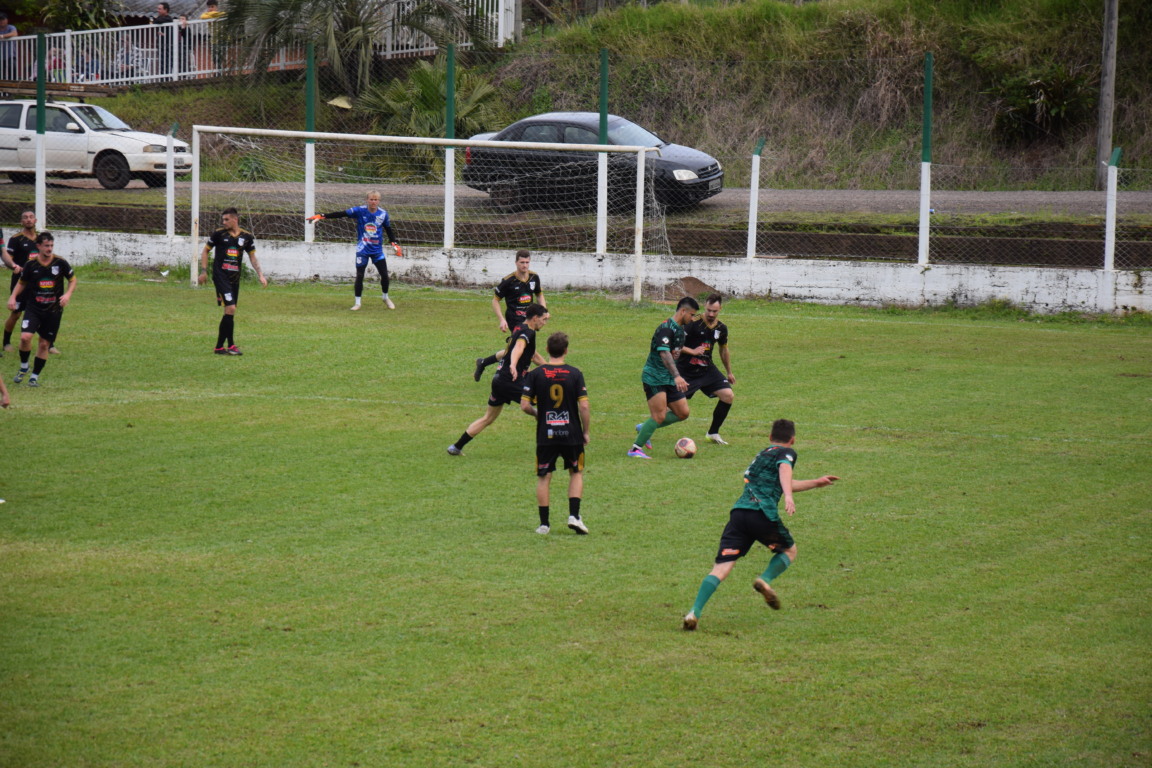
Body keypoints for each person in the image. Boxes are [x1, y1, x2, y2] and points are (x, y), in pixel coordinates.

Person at [682, 419, 839, 631]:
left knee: (721, 567)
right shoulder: (787, 453)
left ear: (769, 437)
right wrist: (789, 498)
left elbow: (784, 481)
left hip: (739, 514)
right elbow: (785, 471)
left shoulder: (763, 455)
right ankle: (764, 580)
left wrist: (816, 483)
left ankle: (694, 612)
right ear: (792, 439)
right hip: (762, 514)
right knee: (790, 550)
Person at [448, 303, 547, 456]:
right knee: (547, 402)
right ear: (535, 318)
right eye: (544, 319)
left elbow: (533, 355)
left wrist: (550, 368)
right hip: (511, 380)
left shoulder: (520, 328)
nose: (545, 323)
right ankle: (557, 444)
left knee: (488, 418)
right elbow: (518, 348)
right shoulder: (528, 333)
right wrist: (514, 364)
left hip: (499, 379)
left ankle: (456, 447)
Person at [520, 332, 591, 535]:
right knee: (575, 472)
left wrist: (537, 414)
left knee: (544, 476)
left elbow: (524, 405)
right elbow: (584, 407)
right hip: (571, 434)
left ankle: (544, 524)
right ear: (566, 350)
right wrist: (586, 431)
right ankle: (574, 516)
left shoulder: (536, 374)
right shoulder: (575, 373)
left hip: (546, 434)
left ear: (547, 350)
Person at [628, 296, 698, 459]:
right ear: (683, 311)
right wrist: (677, 376)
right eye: (692, 315)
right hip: (654, 377)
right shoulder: (666, 328)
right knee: (659, 415)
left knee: (683, 413)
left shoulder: (680, 331)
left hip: (668, 378)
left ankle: (645, 427)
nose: (692, 318)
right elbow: (664, 353)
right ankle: (635, 449)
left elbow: (675, 353)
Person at [307, 191, 401, 310]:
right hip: (363, 249)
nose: (373, 202)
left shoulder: (383, 214)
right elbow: (341, 214)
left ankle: (385, 297)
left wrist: (394, 243)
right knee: (360, 275)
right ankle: (357, 303)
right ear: (367, 200)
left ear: (379, 201)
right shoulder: (359, 211)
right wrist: (322, 215)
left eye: (376, 199)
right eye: (371, 199)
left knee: (384, 275)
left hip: (377, 250)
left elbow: (388, 229)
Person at [8, 232, 76, 387]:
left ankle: (34, 376)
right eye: (46, 246)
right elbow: (22, 282)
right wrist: (13, 297)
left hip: (53, 310)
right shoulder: (31, 265)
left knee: (44, 344)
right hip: (33, 308)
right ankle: (24, 366)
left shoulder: (60, 263)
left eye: (51, 246)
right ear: (38, 246)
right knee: (25, 337)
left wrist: (67, 294)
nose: (49, 249)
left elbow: (72, 280)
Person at [198, 207, 266, 355]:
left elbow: (252, 257)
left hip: (234, 278)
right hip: (220, 276)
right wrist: (204, 271)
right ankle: (225, 346)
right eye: (223, 220)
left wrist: (260, 274)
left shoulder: (246, 237)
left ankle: (226, 346)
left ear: (235, 219)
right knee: (231, 308)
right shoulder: (218, 234)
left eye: (226, 219)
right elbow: (205, 251)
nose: (224, 222)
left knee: (230, 311)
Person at [473, 250, 545, 381]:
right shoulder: (508, 281)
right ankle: (550, 372)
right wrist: (502, 319)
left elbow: (539, 295)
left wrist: (544, 312)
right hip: (515, 321)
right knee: (528, 352)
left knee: (514, 349)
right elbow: (495, 300)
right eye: (522, 262)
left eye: (527, 262)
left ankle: (483, 362)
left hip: (530, 320)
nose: (525, 265)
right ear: (516, 263)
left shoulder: (534, 277)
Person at [677, 293, 736, 445]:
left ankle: (713, 433)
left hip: (706, 369)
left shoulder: (722, 328)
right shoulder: (692, 323)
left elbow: (723, 350)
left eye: (714, 311)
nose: (711, 314)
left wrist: (729, 371)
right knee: (674, 409)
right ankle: (646, 427)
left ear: (720, 309)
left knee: (728, 395)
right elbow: (675, 345)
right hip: (686, 370)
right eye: (709, 310)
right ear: (705, 306)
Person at [3, 210, 59, 357]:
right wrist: (14, 267)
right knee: (16, 313)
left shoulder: (41, 240)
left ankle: (49, 344)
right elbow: (8, 258)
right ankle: (6, 342)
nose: (28, 220)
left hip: (39, 284)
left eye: (31, 217)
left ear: (35, 220)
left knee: (44, 312)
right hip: (21, 282)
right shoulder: (16, 239)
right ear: (21, 222)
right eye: (25, 218)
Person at [153, 2, 175, 76]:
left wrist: (163, 35)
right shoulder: (161, 18)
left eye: (160, 9)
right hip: (161, 46)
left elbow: (158, 21)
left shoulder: (169, 19)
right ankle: (163, 80)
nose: (158, 10)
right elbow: (155, 21)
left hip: (169, 46)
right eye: (157, 9)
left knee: (168, 64)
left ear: (166, 10)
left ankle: (168, 79)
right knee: (162, 64)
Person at [0, 13, 17, 83]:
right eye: (0, 20)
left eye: (3, 19)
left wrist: (2, 36)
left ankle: (13, 86)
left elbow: (14, 34)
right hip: (1, 55)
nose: (1, 21)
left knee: (12, 68)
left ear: (7, 20)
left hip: (10, 55)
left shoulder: (11, 27)